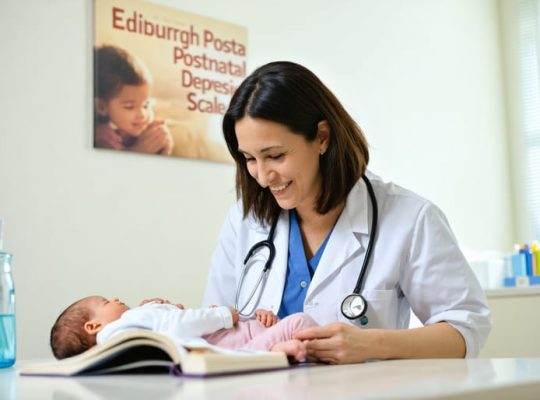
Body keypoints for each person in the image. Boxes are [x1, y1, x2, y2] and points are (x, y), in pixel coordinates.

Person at [202, 61, 491, 365]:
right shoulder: (246, 220)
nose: (262, 177)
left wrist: (372, 343)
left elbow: (465, 330)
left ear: (322, 137)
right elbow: (214, 327)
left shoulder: (409, 218)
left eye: (275, 156)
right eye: (249, 159)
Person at [50, 296, 317, 361]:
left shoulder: (126, 333)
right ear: (94, 325)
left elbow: (173, 326)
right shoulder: (123, 326)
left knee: (271, 331)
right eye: (107, 301)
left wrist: (168, 309)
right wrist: (223, 314)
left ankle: (278, 352)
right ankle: (278, 351)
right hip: (231, 347)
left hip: (230, 344)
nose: (117, 299)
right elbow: (179, 327)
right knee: (300, 322)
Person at [94, 45, 173, 155]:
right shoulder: (103, 138)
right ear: (101, 107)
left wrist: (163, 145)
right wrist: (140, 150)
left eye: (146, 105)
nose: (142, 115)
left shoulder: (139, 122)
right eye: (130, 107)